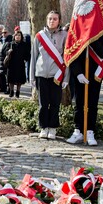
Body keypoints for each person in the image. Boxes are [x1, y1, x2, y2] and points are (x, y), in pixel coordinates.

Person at [66, 31, 103, 146]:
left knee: (92, 103)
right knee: (79, 103)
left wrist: (92, 39)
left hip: (96, 72)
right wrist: (78, 73)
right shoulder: (78, 28)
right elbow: (72, 53)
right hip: (80, 73)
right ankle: (78, 130)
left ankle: (90, 131)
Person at [30, 10, 69, 140]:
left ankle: (52, 128)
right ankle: (43, 127)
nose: (52, 21)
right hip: (41, 74)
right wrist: (32, 77)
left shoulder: (64, 35)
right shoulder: (40, 36)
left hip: (56, 75)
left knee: (55, 103)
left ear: (59, 21)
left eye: (55, 19)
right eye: (50, 19)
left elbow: (67, 58)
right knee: (43, 103)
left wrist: (66, 77)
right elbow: (34, 56)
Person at [0, 30, 30, 98]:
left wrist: (25, 59)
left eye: (19, 35)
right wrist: (8, 52)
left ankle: (18, 91)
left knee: (19, 79)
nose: (18, 37)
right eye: (16, 35)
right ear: (14, 36)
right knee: (11, 79)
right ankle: (11, 91)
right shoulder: (10, 44)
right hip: (11, 64)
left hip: (20, 64)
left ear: (21, 37)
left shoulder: (24, 44)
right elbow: (4, 52)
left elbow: (27, 54)